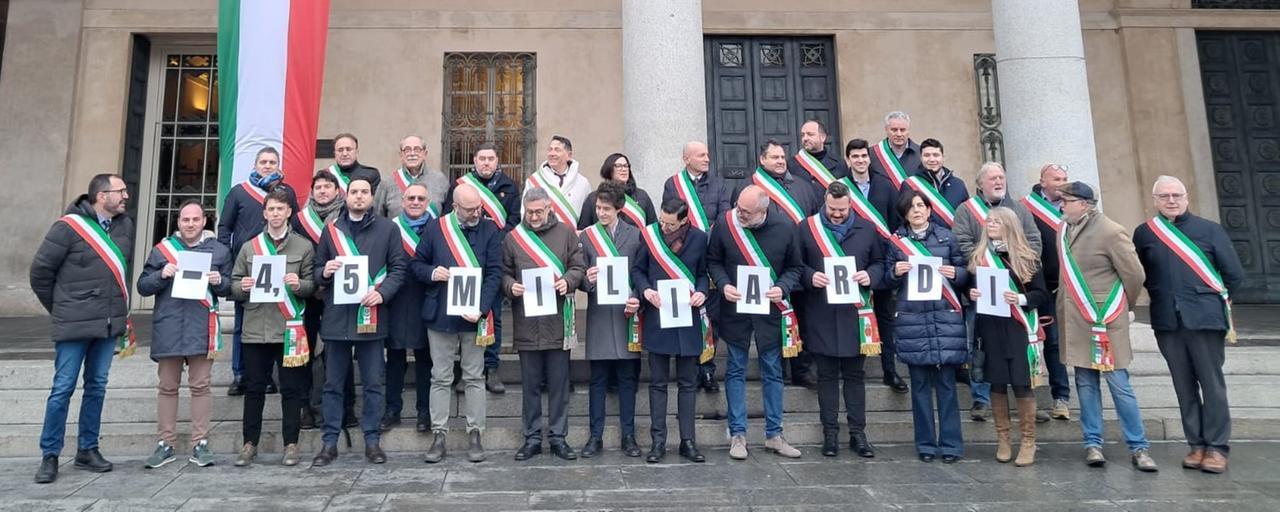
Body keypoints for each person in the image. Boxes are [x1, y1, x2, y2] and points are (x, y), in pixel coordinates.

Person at [1133, 175, 1244, 474]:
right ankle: (1196, 444)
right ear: (1155, 200)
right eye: (1164, 196)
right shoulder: (1145, 233)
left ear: (1186, 197)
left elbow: (1233, 275)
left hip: (1205, 320)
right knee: (1183, 386)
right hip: (1168, 321)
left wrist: (1210, 301)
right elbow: (1140, 273)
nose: (1171, 200)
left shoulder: (1210, 229)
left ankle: (1217, 447)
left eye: (1176, 195)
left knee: (1212, 385)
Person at [30, 173, 134, 484]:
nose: (126, 196)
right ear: (102, 196)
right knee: (62, 388)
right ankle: (50, 454)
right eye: (120, 191)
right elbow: (40, 273)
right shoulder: (67, 228)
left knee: (97, 386)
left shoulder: (124, 226)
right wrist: (63, 309)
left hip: (106, 324)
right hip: (74, 324)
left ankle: (87, 449)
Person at [1055, 181, 1157, 472]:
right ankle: (1093, 443)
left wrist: (1124, 306)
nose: (1061, 206)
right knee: (1085, 383)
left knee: (1119, 385)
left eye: (1067, 201)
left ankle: (1138, 446)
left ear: (1084, 204)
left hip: (1105, 319)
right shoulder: (1063, 229)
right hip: (1077, 319)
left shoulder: (1111, 231)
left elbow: (1134, 275)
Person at [311, 177, 408, 466]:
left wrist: (382, 293)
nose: (359, 196)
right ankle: (329, 442)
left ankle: (372, 440)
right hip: (336, 319)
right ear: (346, 196)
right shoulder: (331, 230)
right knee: (332, 384)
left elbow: (398, 269)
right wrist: (325, 272)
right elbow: (316, 269)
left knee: (373, 383)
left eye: (364, 192)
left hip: (372, 316)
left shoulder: (388, 229)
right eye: (354, 192)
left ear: (372, 197)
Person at [708, 185, 805, 460]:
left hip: (769, 311)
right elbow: (713, 261)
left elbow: (795, 267)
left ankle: (774, 434)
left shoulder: (785, 227)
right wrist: (724, 284)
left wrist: (782, 287)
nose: (740, 214)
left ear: (763, 211)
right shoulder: (726, 224)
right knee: (735, 369)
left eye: (746, 212)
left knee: (773, 371)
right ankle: (738, 434)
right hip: (735, 309)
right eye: (738, 208)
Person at [136, 200, 231, 469]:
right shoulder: (162, 250)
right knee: (167, 387)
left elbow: (230, 288)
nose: (190, 224)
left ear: (204, 221)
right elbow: (142, 286)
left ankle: (200, 443)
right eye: (185, 219)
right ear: (178, 222)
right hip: (169, 326)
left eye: (195, 219)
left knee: (201, 387)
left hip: (201, 327)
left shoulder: (219, 251)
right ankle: (165, 443)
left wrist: (219, 282)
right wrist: (161, 275)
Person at [414, 182, 504, 463]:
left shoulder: (490, 230)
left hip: (474, 317)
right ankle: (439, 435)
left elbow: (495, 273)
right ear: (455, 207)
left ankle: (475, 433)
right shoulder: (436, 228)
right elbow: (416, 264)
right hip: (441, 314)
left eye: (478, 207)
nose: (476, 213)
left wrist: (481, 308)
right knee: (440, 377)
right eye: (469, 209)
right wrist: (433, 273)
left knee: (475, 377)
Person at [793, 181, 884, 458]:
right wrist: (810, 276)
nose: (836, 214)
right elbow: (795, 265)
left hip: (855, 314)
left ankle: (858, 433)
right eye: (832, 208)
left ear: (850, 204)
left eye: (842, 210)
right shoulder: (807, 228)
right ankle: (830, 434)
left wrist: (870, 276)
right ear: (825, 201)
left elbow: (879, 263)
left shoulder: (866, 229)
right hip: (821, 312)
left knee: (855, 376)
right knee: (827, 376)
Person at [229, 189, 316, 467]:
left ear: (289, 212)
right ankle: (249, 443)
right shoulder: (249, 247)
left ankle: (291, 444)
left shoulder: (303, 246)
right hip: (256, 329)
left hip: (289, 329)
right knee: (254, 389)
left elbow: (312, 286)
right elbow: (233, 284)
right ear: (264, 213)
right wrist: (241, 287)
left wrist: (299, 285)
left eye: (280, 209)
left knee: (291, 389)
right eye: (271, 209)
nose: (276, 214)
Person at [884, 188, 969, 464]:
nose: (917, 211)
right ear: (905, 214)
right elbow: (886, 279)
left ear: (929, 210)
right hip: (913, 321)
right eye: (912, 207)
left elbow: (965, 273)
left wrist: (956, 273)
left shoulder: (947, 237)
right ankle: (926, 445)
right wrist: (895, 272)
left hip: (944, 318)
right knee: (919, 387)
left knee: (946, 386)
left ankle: (951, 445)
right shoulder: (897, 242)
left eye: (921, 206)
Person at [952, 162, 1042, 422]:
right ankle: (981, 399)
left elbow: (1033, 240)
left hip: (1015, 292)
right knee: (981, 347)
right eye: (992, 178)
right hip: (982, 290)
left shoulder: (1019, 209)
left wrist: (1018, 261)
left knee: (1019, 350)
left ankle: (1026, 397)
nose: (999, 182)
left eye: (1001, 177)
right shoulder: (966, 210)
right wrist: (985, 261)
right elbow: (961, 243)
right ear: (980, 184)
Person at [503, 187, 586, 461]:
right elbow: (503, 272)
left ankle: (558, 438)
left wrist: (568, 281)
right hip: (527, 322)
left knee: (559, 385)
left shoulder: (565, 233)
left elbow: (578, 267)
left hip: (557, 321)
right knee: (530, 386)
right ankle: (532, 438)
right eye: (530, 212)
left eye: (539, 211)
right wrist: (510, 286)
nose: (535, 216)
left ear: (549, 208)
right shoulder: (514, 238)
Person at [967, 207, 1050, 466]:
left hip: (1018, 326)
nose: (990, 224)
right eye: (989, 221)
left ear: (1009, 225)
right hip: (990, 327)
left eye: (996, 221)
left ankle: (1028, 441)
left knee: (1022, 383)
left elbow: (1041, 294)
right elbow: (970, 287)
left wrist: (1020, 298)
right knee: (997, 383)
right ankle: (1003, 439)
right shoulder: (980, 256)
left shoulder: (1028, 257)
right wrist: (971, 293)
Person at [734, 140, 820, 388]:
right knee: (769, 324)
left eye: (782, 157)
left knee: (800, 318)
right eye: (774, 157)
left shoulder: (803, 187)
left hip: (797, 263)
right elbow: (738, 223)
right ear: (762, 160)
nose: (781, 161)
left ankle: (802, 369)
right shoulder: (747, 187)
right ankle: (776, 371)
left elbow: (814, 222)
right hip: (763, 265)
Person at [218, 147, 299, 396]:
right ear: (255, 165)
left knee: (276, 322)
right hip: (248, 268)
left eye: (272, 162)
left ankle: (267, 376)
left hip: (279, 267)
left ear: (278, 165)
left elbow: (295, 225)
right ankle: (240, 374)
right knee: (243, 323)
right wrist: (226, 261)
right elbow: (225, 227)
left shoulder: (286, 193)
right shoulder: (239, 192)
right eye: (263, 161)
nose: (267, 165)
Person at [634, 197, 710, 463]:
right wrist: (646, 290)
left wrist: (701, 292)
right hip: (659, 315)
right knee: (658, 383)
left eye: (670, 224)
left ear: (684, 220)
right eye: (662, 221)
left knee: (688, 383)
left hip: (687, 317)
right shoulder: (650, 235)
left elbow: (702, 273)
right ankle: (658, 442)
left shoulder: (699, 238)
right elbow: (638, 270)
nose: (664, 227)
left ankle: (688, 441)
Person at [442, 143, 522, 394]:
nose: (486, 163)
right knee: (462, 316)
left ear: (498, 161)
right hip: (463, 257)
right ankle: (465, 370)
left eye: (491, 158)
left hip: (493, 257)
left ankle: (491, 367)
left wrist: (494, 240)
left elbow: (514, 221)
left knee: (492, 314)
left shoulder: (510, 187)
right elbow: (448, 218)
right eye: (482, 158)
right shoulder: (460, 186)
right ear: (474, 161)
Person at [576, 181, 645, 459]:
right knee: (598, 379)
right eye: (598, 208)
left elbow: (642, 272)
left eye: (606, 209)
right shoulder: (587, 237)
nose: (601, 213)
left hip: (626, 315)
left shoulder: (636, 236)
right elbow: (578, 274)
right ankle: (595, 436)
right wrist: (587, 280)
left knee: (627, 379)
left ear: (619, 208)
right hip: (600, 316)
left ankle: (629, 435)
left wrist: (638, 296)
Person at [661, 141, 732, 393]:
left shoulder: (720, 184)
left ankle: (708, 368)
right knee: (688, 314)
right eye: (701, 155)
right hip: (685, 259)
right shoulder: (673, 184)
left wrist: (709, 235)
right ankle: (689, 366)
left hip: (712, 256)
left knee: (711, 317)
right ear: (686, 158)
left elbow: (725, 216)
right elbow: (670, 220)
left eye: (707, 154)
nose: (707, 159)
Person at [844, 138, 907, 393]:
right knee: (854, 318)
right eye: (855, 156)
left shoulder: (885, 185)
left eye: (863, 156)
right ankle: (854, 371)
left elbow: (896, 223)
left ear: (869, 158)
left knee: (885, 318)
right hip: (853, 264)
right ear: (848, 160)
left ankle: (890, 371)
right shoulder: (841, 186)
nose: (860, 160)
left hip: (880, 262)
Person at [294, 171, 353, 430]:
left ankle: (346, 408)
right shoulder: (299, 219)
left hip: (339, 293)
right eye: (318, 187)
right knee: (304, 352)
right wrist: (313, 282)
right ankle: (305, 406)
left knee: (339, 352)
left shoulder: (347, 217)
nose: (322, 191)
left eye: (328, 186)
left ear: (337, 191)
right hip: (306, 294)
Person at [381, 183, 435, 433]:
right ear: (402, 202)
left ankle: (425, 411)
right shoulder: (389, 228)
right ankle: (392, 409)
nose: (415, 202)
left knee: (425, 358)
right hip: (397, 299)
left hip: (427, 297)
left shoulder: (439, 227)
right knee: (394, 357)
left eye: (420, 198)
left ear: (428, 203)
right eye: (411, 198)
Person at [1021, 163, 1072, 422]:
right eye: (1057, 179)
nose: (1062, 183)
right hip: (1034, 286)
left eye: (1064, 179)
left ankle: (1061, 397)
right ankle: (1028, 397)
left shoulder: (1073, 208)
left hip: (1066, 287)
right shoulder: (1025, 207)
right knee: (1033, 340)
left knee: (1055, 343)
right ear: (1043, 182)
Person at [375, 135, 449, 218]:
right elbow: (378, 216)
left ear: (425, 154)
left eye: (417, 150)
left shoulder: (440, 180)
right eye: (407, 150)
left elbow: (447, 216)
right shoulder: (387, 183)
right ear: (401, 155)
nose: (412, 154)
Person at [577, 153, 658, 229]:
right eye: (619, 166)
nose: (624, 169)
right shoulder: (594, 197)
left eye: (626, 166)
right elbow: (583, 228)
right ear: (609, 169)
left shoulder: (642, 196)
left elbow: (653, 227)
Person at [525, 135, 591, 227]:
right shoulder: (534, 180)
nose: (552, 153)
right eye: (550, 149)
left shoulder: (583, 183)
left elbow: (588, 215)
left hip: (572, 234)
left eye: (557, 150)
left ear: (569, 155)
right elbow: (525, 212)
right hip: (541, 234)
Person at [903, 138, 967, 229]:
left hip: (953, 237)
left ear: (943, 158)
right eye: (927, 155)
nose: (932, 159)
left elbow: (966, 218)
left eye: (936, 155)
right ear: (921, 158)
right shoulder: (910, 185)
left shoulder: (958, 185)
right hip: (922, 237)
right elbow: (902, 218)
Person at [787, 119, 851, 199]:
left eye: (810, 134)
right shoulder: (792, 164)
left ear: (823, 137)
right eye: (803, 135)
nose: (805, 138)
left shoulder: (839, 164)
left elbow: (846, 194)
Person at [867, 111, 923, 189]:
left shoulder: (921, 154)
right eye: (894, 130)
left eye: (902, 130)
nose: (899, 134)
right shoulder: (872, 154)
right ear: (886, 130)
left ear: (908, 130)